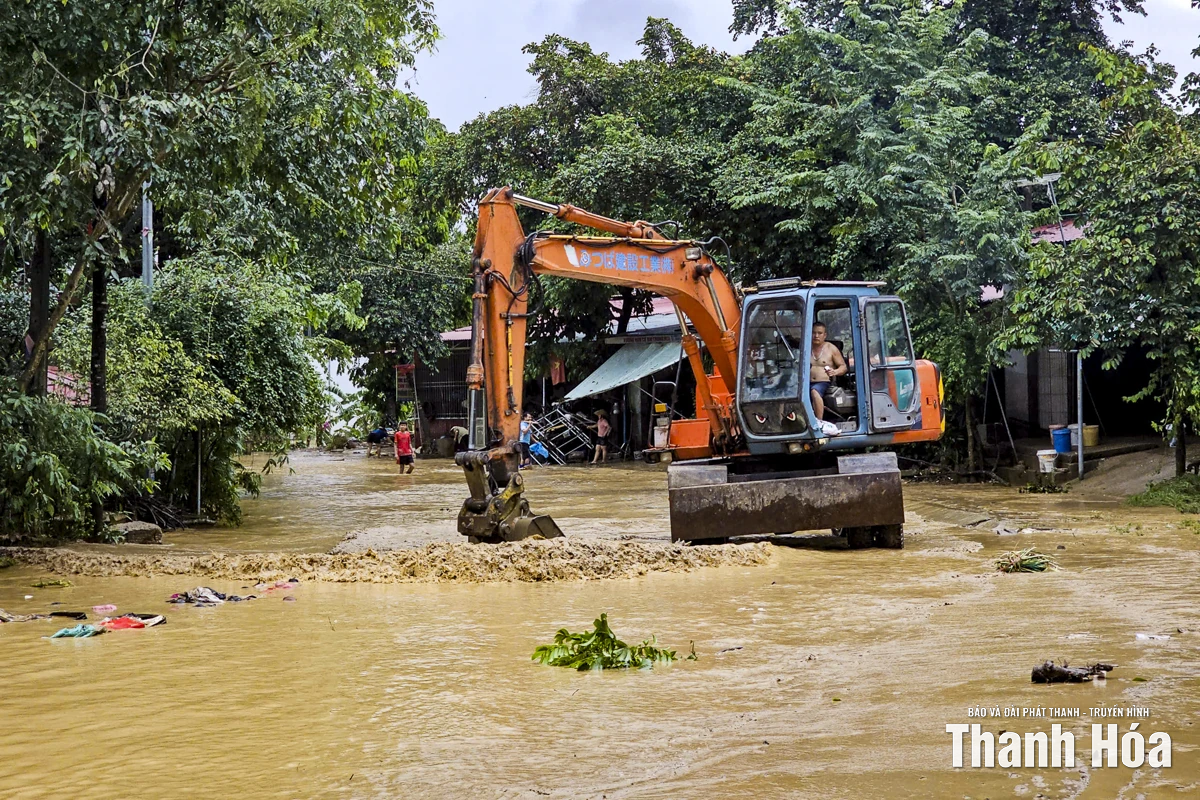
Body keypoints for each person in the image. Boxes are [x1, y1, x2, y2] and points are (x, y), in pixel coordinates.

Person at [810, 321, 847, 436]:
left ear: (825, 335)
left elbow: (843, 367)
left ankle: (819, 423)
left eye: (819, 333)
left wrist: (834, 371)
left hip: (823, 382)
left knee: (815, 392)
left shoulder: (831, 348)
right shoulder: (805, 346)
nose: (816, 336)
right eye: (814, 333)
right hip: (805, 382)